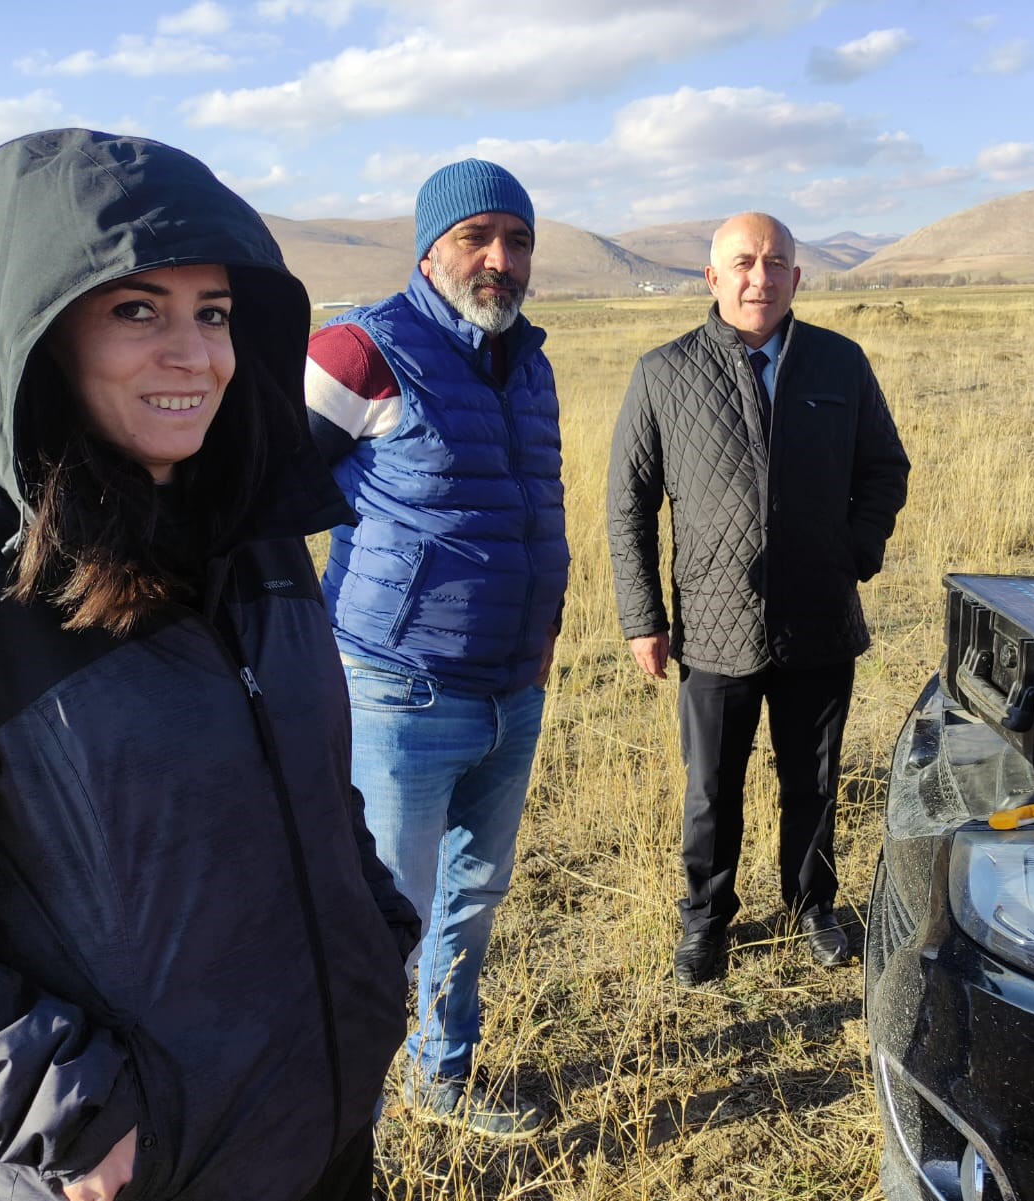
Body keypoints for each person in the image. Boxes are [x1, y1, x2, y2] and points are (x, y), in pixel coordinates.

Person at [0, 129, 416, 1201]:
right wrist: (57, 1105)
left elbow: (313, 780)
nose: (196, 354)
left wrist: (373, 939)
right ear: (38, 336)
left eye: (212, 313)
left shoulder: (255, 535)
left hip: (321, 1138)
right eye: (136, 311)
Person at [304, 159, 567, 1138]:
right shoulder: (360, 350)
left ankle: (443, 1079)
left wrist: (540, 640)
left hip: (513, 689)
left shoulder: (528, 360)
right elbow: (257, 495)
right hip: (397, 692)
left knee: (474, 896)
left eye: (519, 240)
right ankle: (344, 1129)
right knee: (380, 919)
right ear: (429, 248)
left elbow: (536, 509)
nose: (500, 260)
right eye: (477, 237)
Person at [607, 212, 910, 987]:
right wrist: (645, 617)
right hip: (712, 625)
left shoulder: (841, 365)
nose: (759, 277)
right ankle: (706, 921)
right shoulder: (663, 373)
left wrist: (855, 552)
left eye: (776, 262)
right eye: (742, 262)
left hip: (820, 618)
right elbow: (629, 505)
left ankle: (813, 905)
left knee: (813, 775)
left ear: (796, 279)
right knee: (713, 787)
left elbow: (885, 468)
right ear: (712, 279)